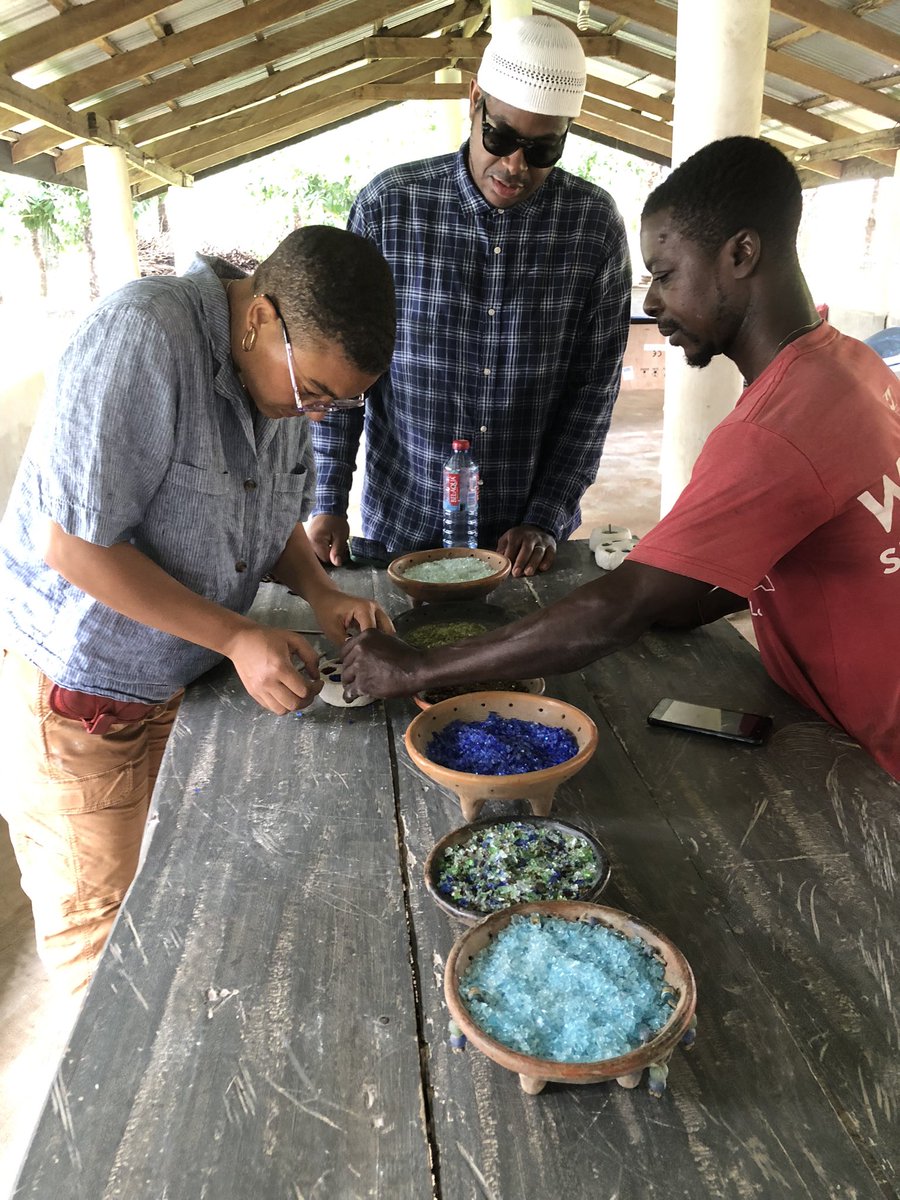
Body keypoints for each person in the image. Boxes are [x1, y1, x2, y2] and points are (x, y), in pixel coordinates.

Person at [342, 136, 900, 781]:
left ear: (741, 254)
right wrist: (668, 594)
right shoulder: (850, 365)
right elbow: (738, 568)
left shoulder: (779, 428)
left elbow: (620, 607)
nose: (654, 302)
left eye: (664, 275)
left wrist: (414, 667)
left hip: (872, 753)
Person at [0, 226, 397, 995]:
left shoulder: (276, 383)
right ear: (260, 318)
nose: (318, 415)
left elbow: (263, 507)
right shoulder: (143, 338)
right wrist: (241, 636)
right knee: (102, 943)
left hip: (175, 684)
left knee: (174, 902)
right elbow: (73, 546)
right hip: (83, 699)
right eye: (314, 393)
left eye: (340, 403)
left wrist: (320, 589)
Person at [308, 14, 631, 579]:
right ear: (475, 99)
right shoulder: (390, 208)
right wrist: (328, 498)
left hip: (521, 549)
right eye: (501, 137)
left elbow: (591, 394)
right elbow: (339, 369)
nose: (514, 166)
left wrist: (546, 517)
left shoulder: (593, 228)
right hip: (401, 532)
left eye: (541, 149)